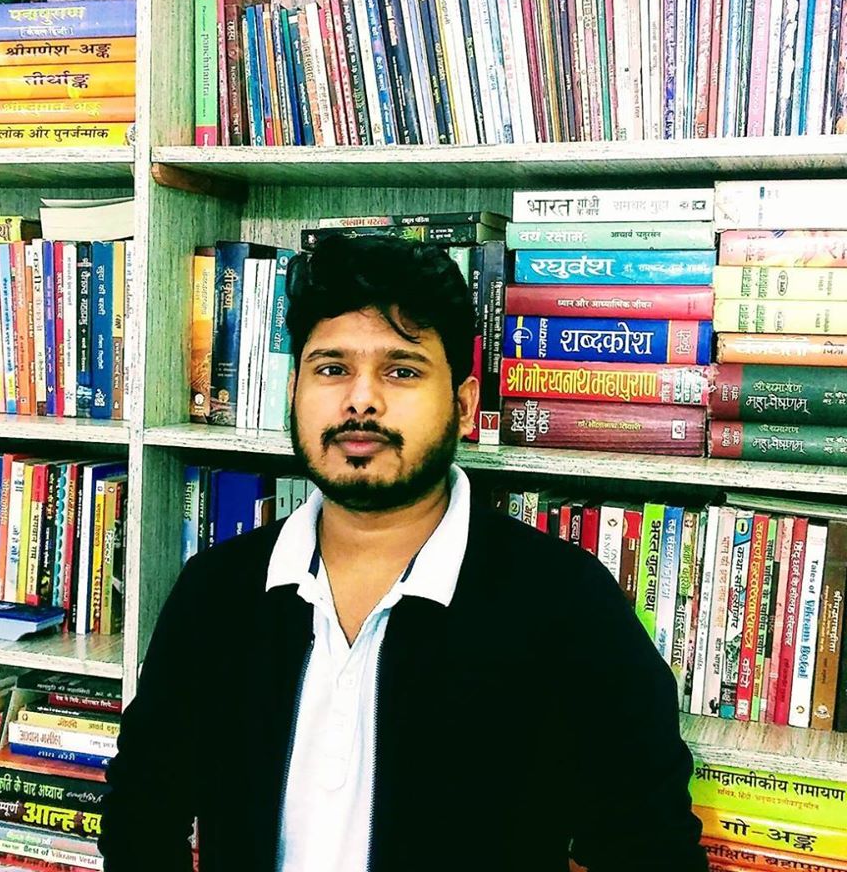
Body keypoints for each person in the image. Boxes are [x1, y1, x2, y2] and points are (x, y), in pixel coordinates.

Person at [99, 235, 708, 872]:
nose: (361, 399)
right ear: (293, 392)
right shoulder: (218, 590)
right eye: (331, 369)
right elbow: (142, 812)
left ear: (465, 406)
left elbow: (649, 849)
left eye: (402, 371)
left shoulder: (567, 604)